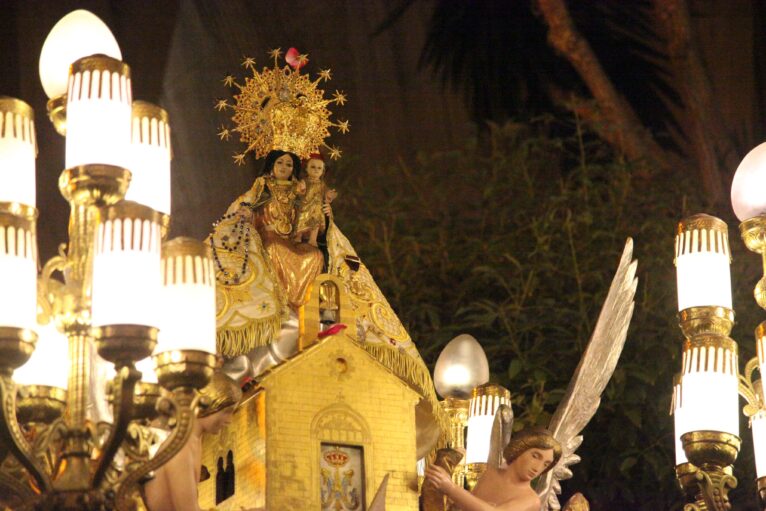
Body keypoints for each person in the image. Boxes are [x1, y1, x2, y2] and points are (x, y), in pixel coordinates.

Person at [144, 373, 243, 511]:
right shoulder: (181, 448)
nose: (229, 420)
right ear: (206, 403)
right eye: (226, 411)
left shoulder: (193, 442)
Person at [424, 427, 562, 511]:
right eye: (535, 456)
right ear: (520, 449)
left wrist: (450, 488)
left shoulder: (531, 500)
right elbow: (469, 504)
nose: (538, 467)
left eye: (546, 464)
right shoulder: (490, 473)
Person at [293, 153, 337, 247]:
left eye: (319, 168)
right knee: (301, 220)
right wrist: (301, 188)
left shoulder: (322, 184)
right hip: (305, 206)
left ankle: (313, 239)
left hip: (317, 208)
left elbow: (326, 193)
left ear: (323, 171)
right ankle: (298, 236)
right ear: (306, 168)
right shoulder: (305, 181)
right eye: (313, 167)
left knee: (315, 223)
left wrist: (329, 195)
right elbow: (299, 191)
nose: (316, 170)